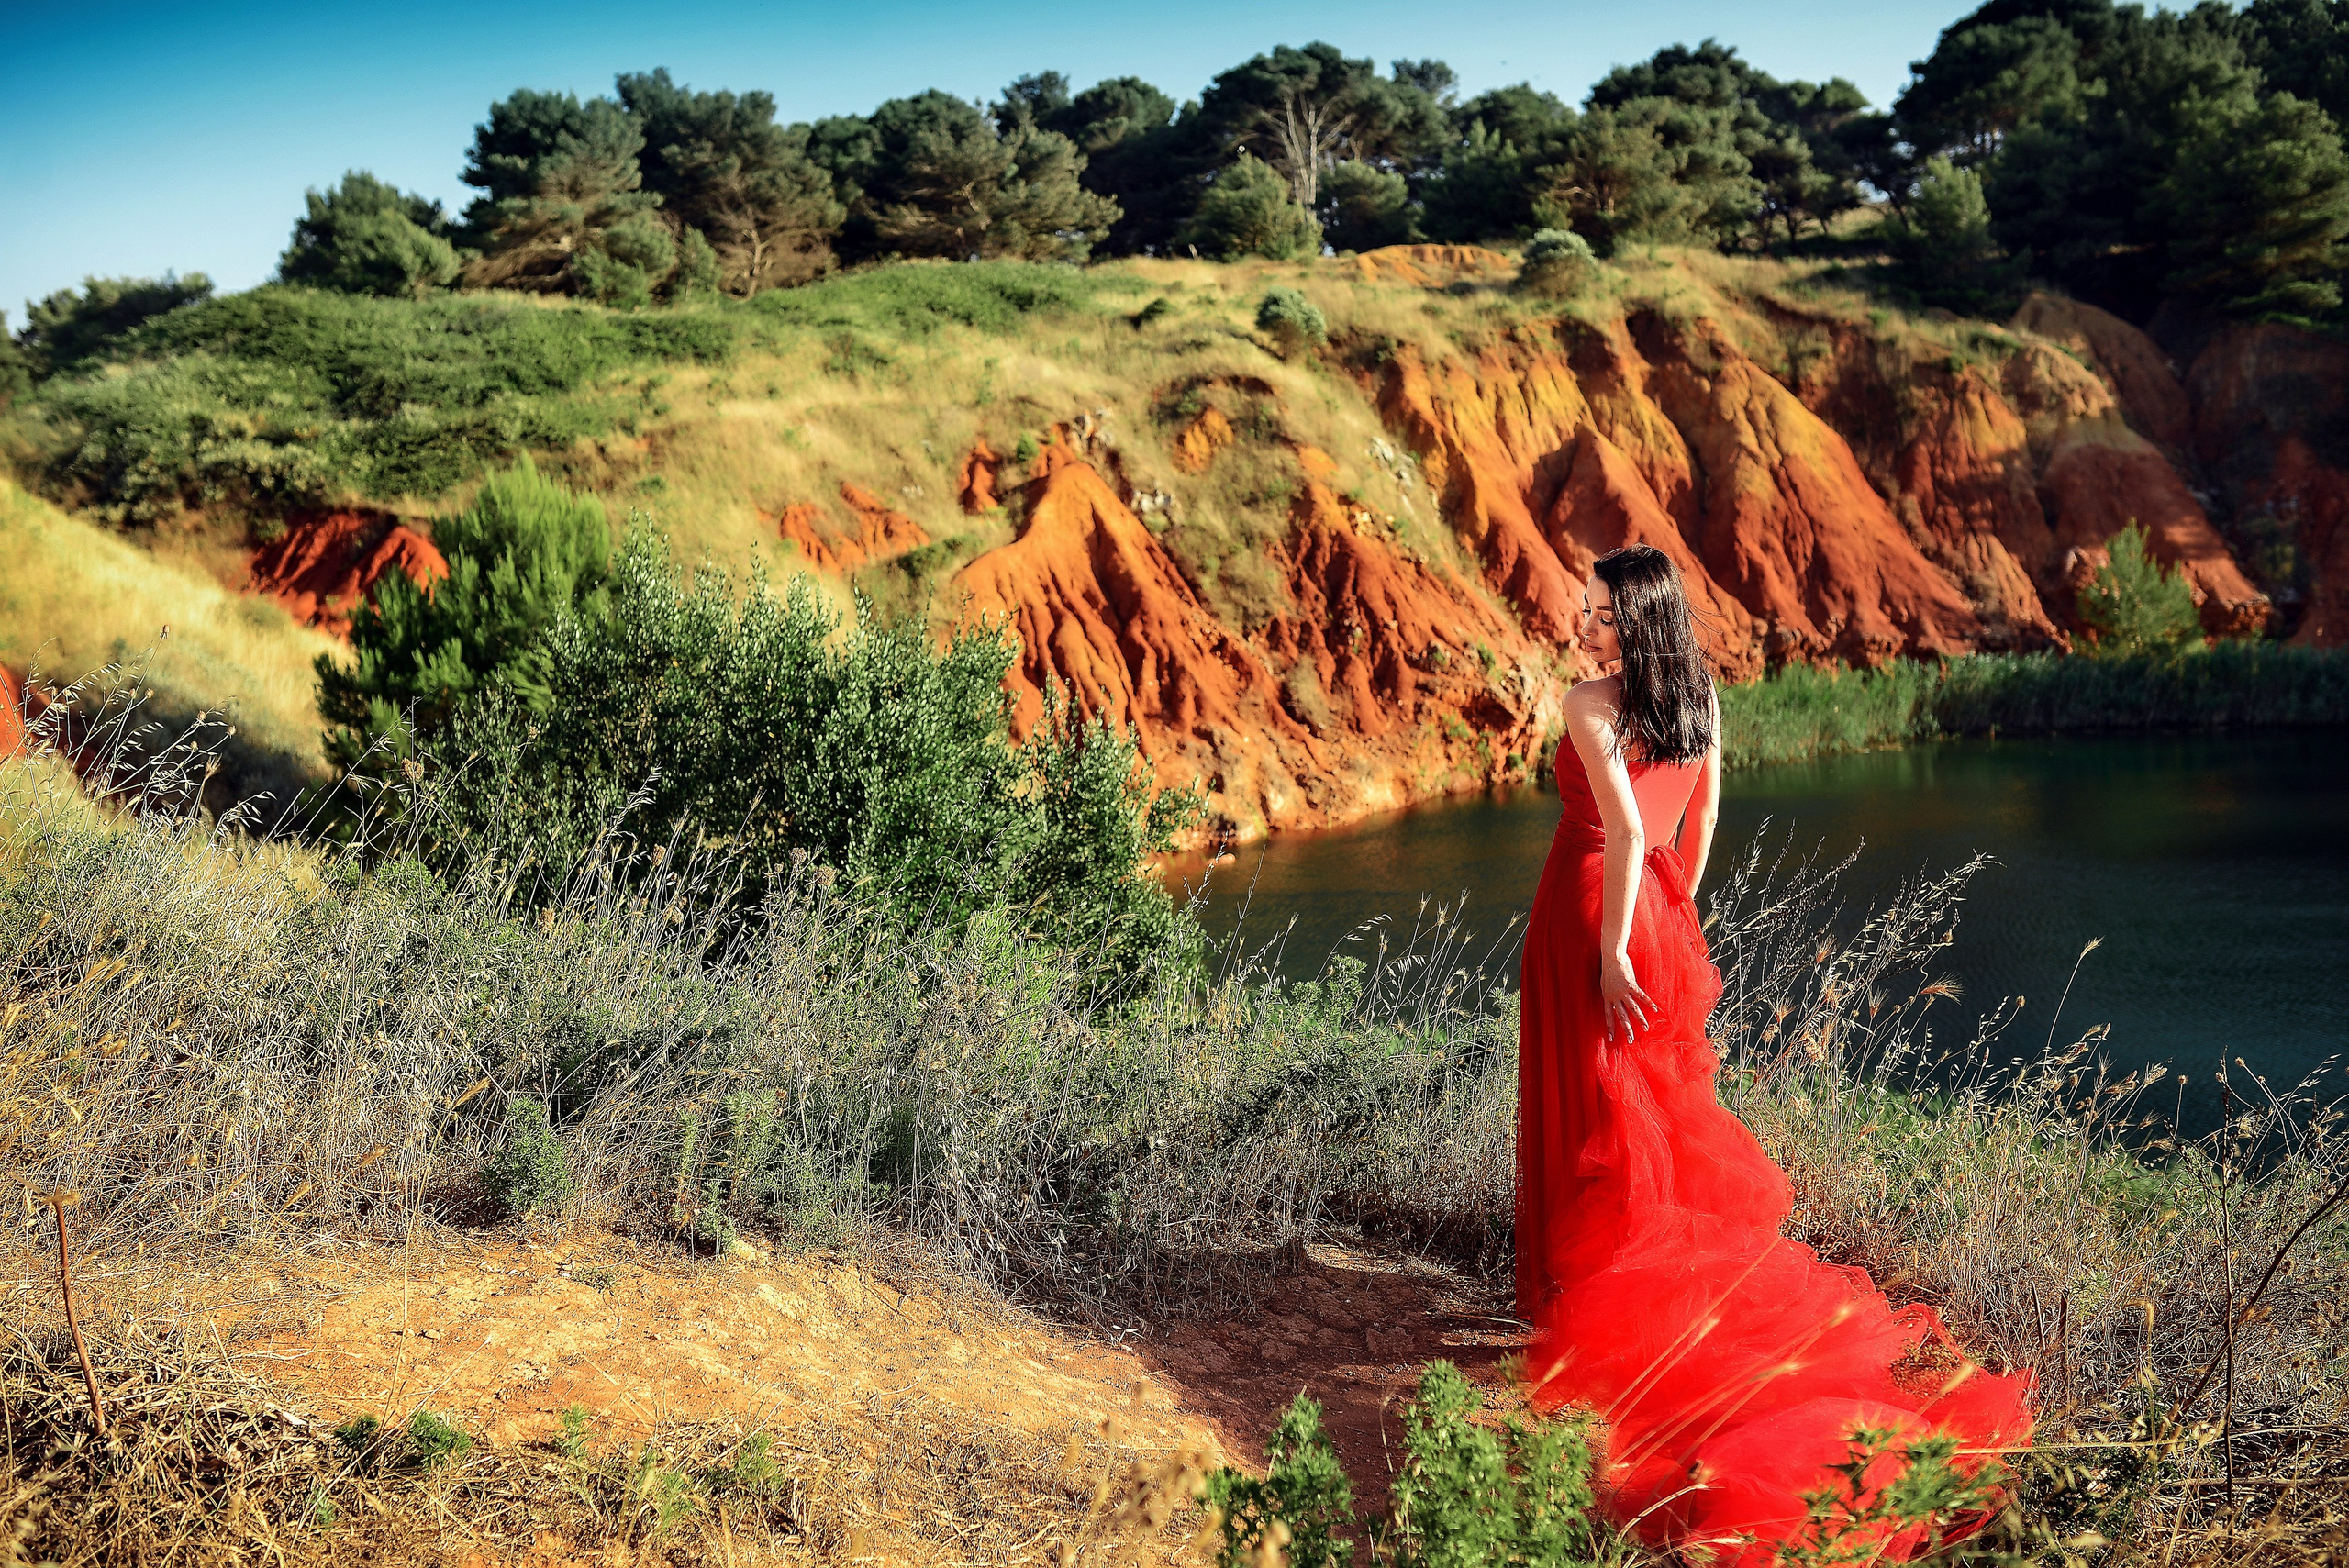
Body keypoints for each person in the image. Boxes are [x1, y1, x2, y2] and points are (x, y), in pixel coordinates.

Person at [1516, 545, 2033, 1563]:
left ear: (1632, 620)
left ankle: (1581, 1304)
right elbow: (1696, 818)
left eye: (1598, 609)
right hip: (1658, 907)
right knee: (1647, 1109)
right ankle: (1623, 1290)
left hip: (1594, 910)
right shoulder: (1701, 699)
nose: (1583, 620)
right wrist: (1673, 912)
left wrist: (1616, 941)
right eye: (1585, 606)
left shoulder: (1587, 702)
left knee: (1595, 1101)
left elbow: (1619, 828)